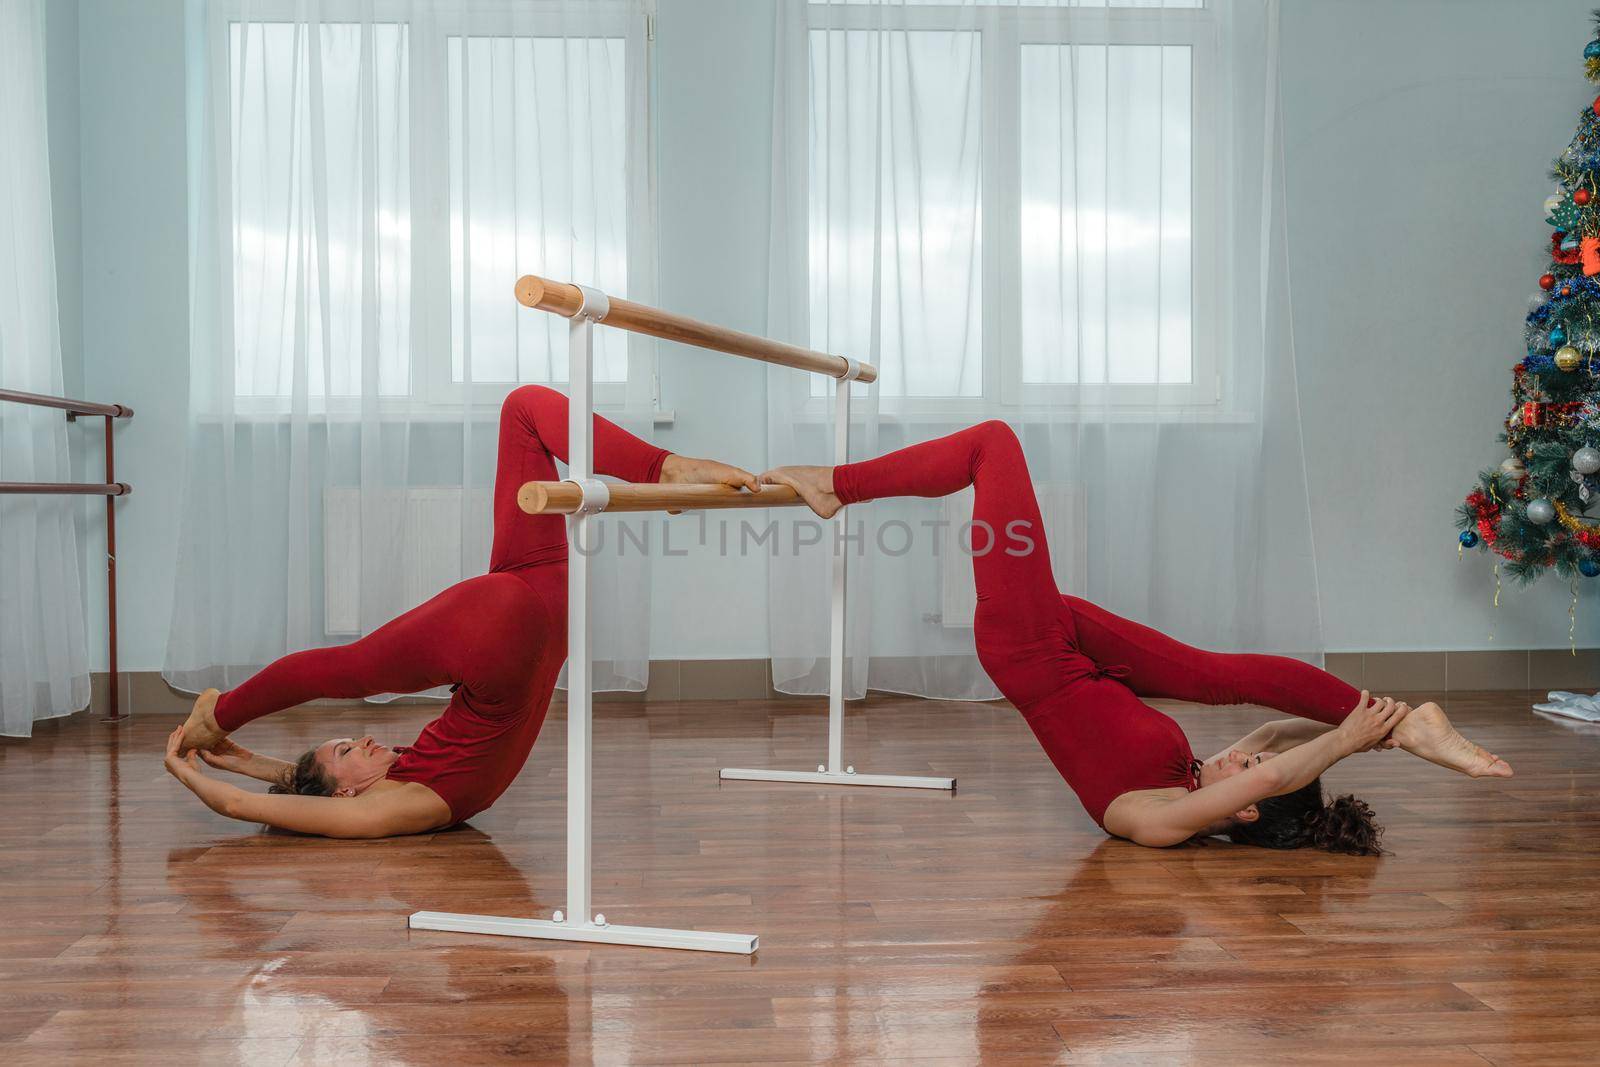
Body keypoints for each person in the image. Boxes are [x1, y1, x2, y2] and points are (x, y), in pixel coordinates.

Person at [760, 421, 1513, 854]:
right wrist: (1369, 728)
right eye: (1247, 755)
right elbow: (1282, 735)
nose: (1244, 754)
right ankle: (1411, 723)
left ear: (1244, 810)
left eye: (1247, 767)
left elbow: (1273, 775)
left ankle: (837, 485)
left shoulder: (1156, 821)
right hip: (1075, 646)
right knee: (1224, 673)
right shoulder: (1193, 774)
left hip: (1026, 647)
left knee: (991, 443)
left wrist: (1347, 743)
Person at [163, 385, 758, 838]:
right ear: (348, 795)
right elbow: (245, 808)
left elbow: (299, 791)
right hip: (504, 630)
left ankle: (663, 469)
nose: (364, 738)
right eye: (346, 751)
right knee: (341, 670)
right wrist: (192, 772)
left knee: (525, 409)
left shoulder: (386, 786)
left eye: (346, 742)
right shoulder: (393, 807)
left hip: (541, 604)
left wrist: (248, 763)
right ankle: (222, 714)